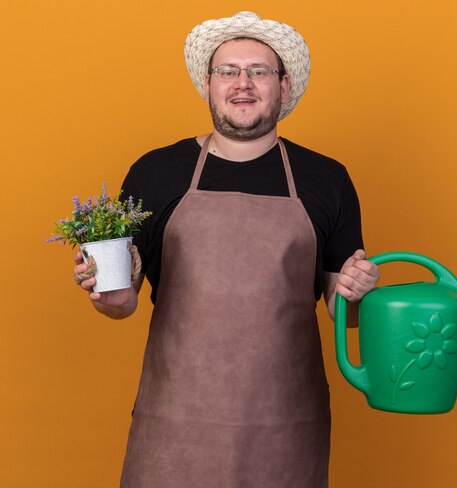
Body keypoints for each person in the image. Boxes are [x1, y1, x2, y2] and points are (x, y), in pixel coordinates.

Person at [73, 11, 379, 488]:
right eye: (228, 71)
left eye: (258, 71)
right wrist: (104, 287)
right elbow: (121, 302)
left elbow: (346, 312)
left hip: (286, 427)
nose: (243, 83)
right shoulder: (157, 173)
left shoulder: (326, 179)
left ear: (282, 84)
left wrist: (358, 291)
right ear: (208, 83)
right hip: (174, 424)